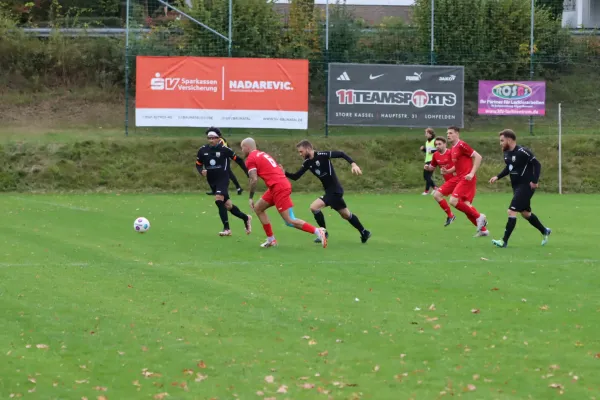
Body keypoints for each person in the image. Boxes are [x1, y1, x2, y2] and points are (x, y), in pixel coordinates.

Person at [240, 137, 327, 248]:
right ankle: (271, 240)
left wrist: (250, 197)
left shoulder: (251, 159)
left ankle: (318, 231)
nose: (242, 151)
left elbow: (254, 179)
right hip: (277, 185)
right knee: (258, 208)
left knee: (289, 220)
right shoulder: (262, 154)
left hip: (279, 187)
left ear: (247, 147)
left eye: (242, 148)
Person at [283, 140, 371, 244]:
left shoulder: (322, 155)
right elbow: (296, 176)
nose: (300, 154)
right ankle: (364, 232)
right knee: (346, 215)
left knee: (314, 207)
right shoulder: (307, 163)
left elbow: (341, 154)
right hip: (331, 192)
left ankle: (323, 233)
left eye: (301, 151)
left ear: (308, 149)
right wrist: (284, 172)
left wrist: (353, 164)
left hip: (335, 191)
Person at [489, 129, 551, 248]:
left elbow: (537, 164)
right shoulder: (507, 153)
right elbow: (509, 168)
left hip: (526, 186)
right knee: (525, 213)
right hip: (516, 186)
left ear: (509, 140)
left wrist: (534, 181)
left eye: (502, 140)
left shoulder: (523, 151)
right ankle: (545, 231)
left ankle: (504, 241)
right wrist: (497, 176)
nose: (500, 143)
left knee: (511, 211)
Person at [196, 130, 252, 236]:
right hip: (212, 181)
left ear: (219, 138)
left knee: (218, 199)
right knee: (228, 205)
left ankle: (227, 229)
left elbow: (239, 160)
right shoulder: (202, 150)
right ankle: (246, 218)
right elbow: (198, 164)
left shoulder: (224, 150)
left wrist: (248, 174)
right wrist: (201, 171)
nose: (211, 140)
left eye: (213, 138)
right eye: (209, 138)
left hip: (223, 178)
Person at [446, 126, 489, 237]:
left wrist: (472, 173)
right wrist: (448, 170)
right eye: (447, 133)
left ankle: (479, 216)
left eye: (451, 133)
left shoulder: (461, 145)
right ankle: (483, 230)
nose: (448, 135)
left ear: (457, 134)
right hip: (461, 179)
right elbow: (458, 166)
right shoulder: (453, 148)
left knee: (453, 201)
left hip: (467, 179)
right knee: (466, 206)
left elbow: (478, 157)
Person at [424, 136, 457, 227]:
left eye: (439, 144)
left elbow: (458, 165)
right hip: (449, 182)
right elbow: (432, 168)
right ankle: (482, 224)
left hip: (456, 180)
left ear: (445, 144)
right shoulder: (435, 155)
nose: (437, 146)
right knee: (464, 204)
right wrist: (427, 167)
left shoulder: (451, 153)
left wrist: (450, 171)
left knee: (437, 195)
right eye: (436, 144)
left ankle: (451, 215)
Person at [204, 127, 243, 196]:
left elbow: (223, 150)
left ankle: (238, 188)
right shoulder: (216, 140)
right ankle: (216, 189)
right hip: (219, 158)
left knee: (228, 173)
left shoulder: (221, 140)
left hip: (225, 158)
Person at [420, 128, 438, 195]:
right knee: (427, 176)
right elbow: (428, 152)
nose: (425, 135)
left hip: (432, 160)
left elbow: (438, 149)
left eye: (427, 133)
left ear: (431, 134)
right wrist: (424, 149)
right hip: (427, 160)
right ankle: (428, 190)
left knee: (426, 176)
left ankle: (435, 188)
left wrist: (432, 151)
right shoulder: (427, 142)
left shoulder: (434, 141)